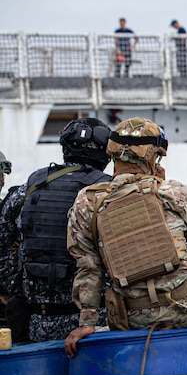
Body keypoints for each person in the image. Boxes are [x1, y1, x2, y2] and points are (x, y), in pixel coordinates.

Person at [63, 117, 187, 371]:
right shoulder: (173, 192)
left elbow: (89, 268)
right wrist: (160, 182)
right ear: (152, 157)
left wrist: (87, 323)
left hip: (134, 316)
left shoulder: (86, 202)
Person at [0, 119, 113, 343]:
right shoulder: (111, 192)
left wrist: (16, 286)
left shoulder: (30, 186)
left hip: (36, 323)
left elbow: (2, 240)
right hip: (94, 325)